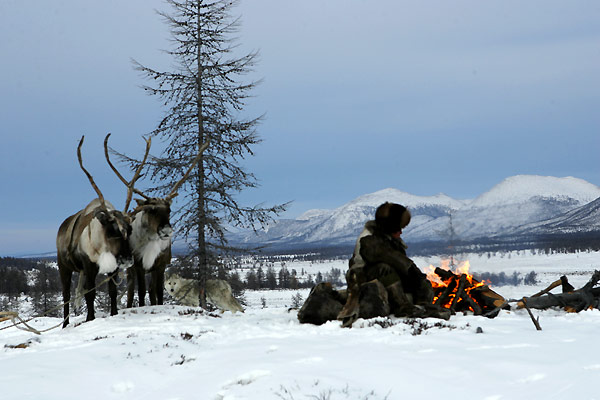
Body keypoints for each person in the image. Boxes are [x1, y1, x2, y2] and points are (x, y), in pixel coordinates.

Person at [337, 202, 449, 327]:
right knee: (385, 269)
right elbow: (386, 256)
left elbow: (400, 261)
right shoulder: (368, 239)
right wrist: (409, 268)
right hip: (362, 281)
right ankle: (403, 308)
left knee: (421, 281)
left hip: (387, 282)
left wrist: (417, 278)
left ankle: (422, 306)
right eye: (398, 229)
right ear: (389, 227)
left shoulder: (390, 238)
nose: (401, 232)